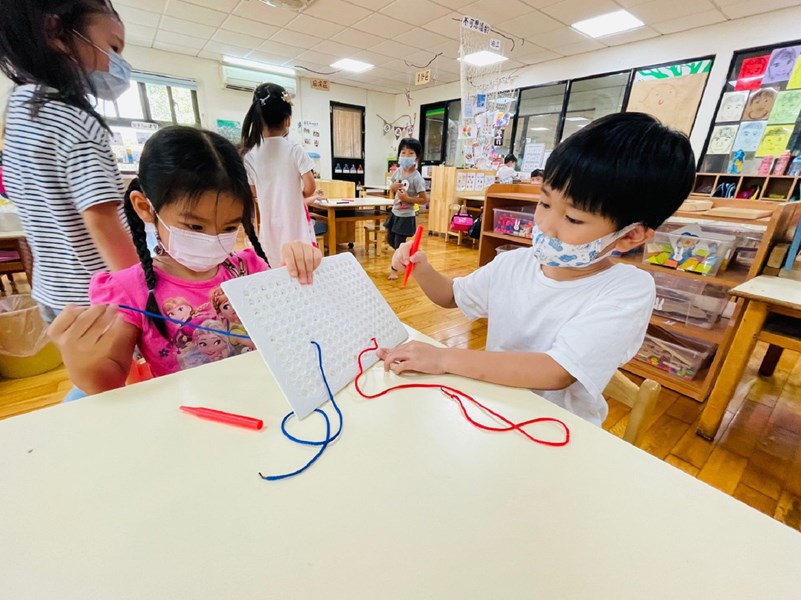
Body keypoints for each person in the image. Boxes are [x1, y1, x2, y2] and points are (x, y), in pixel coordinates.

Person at [380, 113, 695, 426]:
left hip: (559, 428)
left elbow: (556, 371)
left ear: (630, 236)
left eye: (573, 218)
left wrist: (444, 357)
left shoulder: (627, 290)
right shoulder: (514, 264)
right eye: (544, 204)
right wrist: (421, 268)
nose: (545, 224)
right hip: (494, 409)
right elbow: (451, 296)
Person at [48, 126, 321, 396]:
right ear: (145, 207)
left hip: (259, 397)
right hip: (189, 410)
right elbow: (111, 383)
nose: (213, 240)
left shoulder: (247, 268)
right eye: (195, 227)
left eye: (229, 227)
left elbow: (293, 326)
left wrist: (300, 269)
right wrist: (84, 367)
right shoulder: (128, 290)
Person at [0, 0, 138, 323]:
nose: (119, 63)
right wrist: (142, 292)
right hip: (97, 298)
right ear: (56, 32)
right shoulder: (76, 122)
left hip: (53, 292)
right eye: (113, 48)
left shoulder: (20, 109)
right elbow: (102, 219)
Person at [240, 82, 323, 266]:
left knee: (274, 266)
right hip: (296, 225)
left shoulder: (250, 155)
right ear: (288, 120)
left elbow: (253, 192)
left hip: (270, 227)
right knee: (302, 267)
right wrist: (296, 194)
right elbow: (310, 187)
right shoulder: (294, 149)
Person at [386, 138, 426, 280]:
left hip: (406, 215)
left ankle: (394, 270)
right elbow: (392, 185)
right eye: (403, 152)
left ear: (417, 157)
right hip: (395, 212)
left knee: (398, 243)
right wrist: (392, 187)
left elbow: (424, 199)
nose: (406, 155)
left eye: (410, 153)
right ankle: (407, 255)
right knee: (389, 239)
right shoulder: (398, 171)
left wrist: (408, 199)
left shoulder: (417, 178)